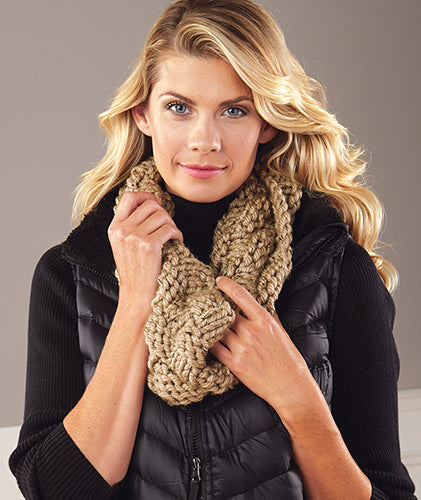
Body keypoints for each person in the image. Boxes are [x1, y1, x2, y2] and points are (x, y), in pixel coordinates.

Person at [9, 0, 417, 498]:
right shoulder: (70, 273)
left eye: (234, 110)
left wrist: (297, 397)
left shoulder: (336, 269)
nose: (204, 140)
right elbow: (52, 490)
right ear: (143, 114)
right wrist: (135, 300)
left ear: (266, 123)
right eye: (179, 108)